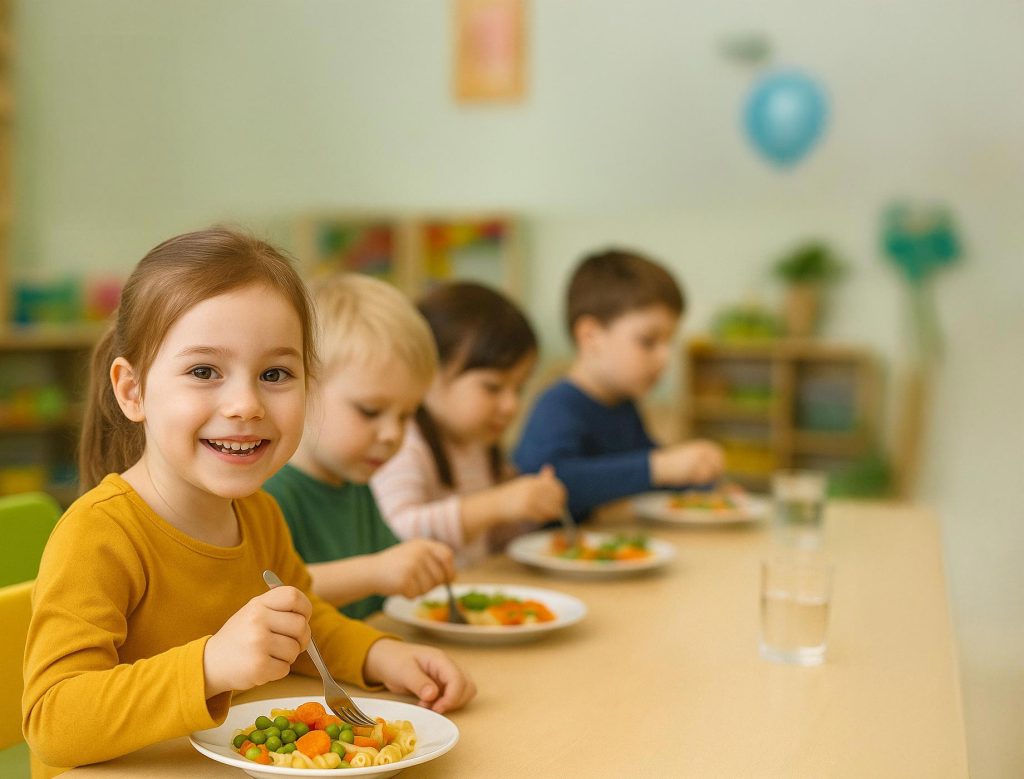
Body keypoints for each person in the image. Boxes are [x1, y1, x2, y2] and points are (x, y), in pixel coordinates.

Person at [22, 228, 474, 778]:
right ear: (133, 391)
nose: (245, 404)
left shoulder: (260, 513)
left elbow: (308, 622)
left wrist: (381, 655)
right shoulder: (98, 534)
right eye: (204, 371)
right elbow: (53, 722)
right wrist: (210, 665)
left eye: (275, 374)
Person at [264, 273, 455, 619]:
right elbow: (265, 593)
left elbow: (392, 567)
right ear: (302, 389)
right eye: (370, 411)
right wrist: (375, 572)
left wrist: (417, 563)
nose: (391, 434)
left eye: (406, 416)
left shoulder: (356, 485)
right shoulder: (269, 494)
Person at [513, 248, 725, 523]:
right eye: (648, 341)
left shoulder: (624, 404)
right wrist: (660, 467)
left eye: (669, 343)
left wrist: (697, 476)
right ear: (591, 337)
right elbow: (550, 482)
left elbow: (650, 472)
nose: (665, 358)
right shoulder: (557, 405)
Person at [371, 282, 566, 568]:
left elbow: (491, 538)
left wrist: (528, 509)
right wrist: (497, 504)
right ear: (429, 373)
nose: (511, 405)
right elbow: (397, 530)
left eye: (519, 389)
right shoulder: (405, 443)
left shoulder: (478, 443)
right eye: (493, 387)